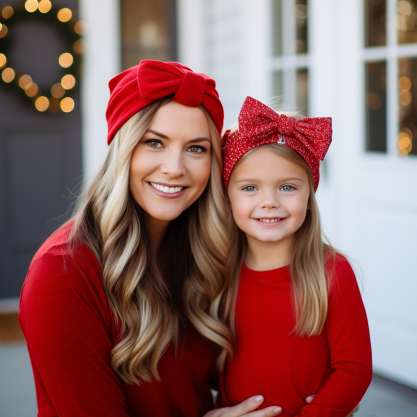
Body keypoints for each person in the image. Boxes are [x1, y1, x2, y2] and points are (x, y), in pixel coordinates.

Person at [19, 61, 282, 417]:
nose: (175, 167)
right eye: (154, 143)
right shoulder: (62, 273)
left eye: (196, 149)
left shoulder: (206, 249)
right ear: (123, 149)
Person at [219, 96, 373, 417]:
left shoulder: (331, 271)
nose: (269, 201)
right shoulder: (218, 272)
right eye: (250, 188)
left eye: (287, 187)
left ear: (309, 193)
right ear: (227, 195)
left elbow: (354, 370)